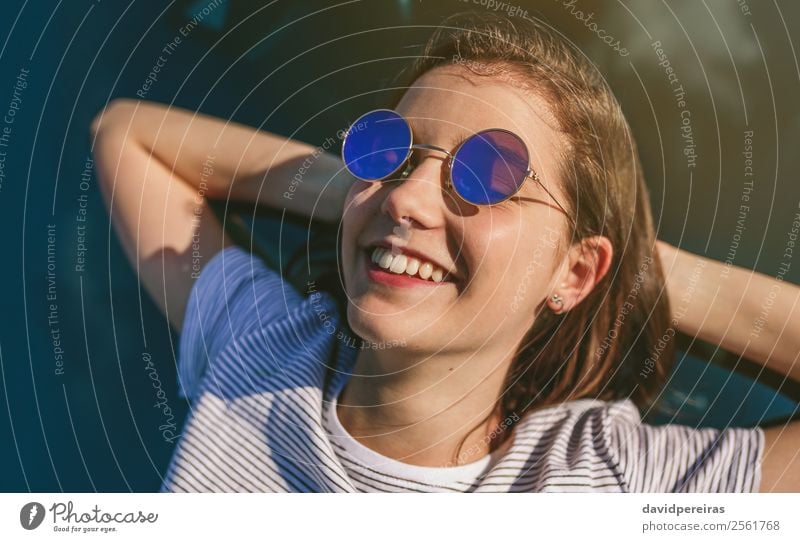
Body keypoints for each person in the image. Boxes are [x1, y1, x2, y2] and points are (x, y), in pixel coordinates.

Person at [90, 12, 799, 492]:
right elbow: (126, 135)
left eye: (489, 176)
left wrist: (638, 270)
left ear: (576, 272)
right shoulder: (261, 351)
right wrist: (364, 195)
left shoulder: (609, 478)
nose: (409, 200)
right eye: (388, 150)